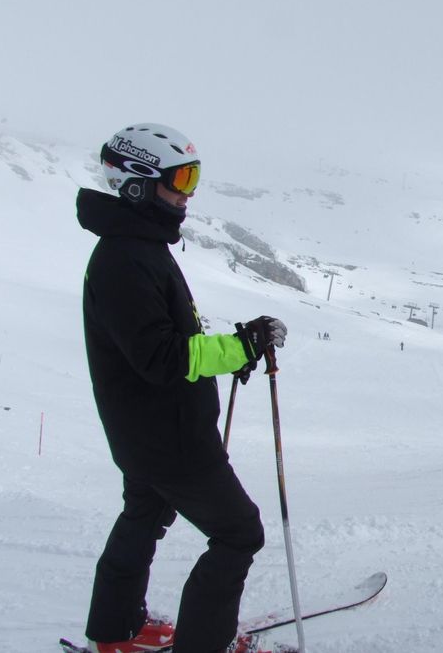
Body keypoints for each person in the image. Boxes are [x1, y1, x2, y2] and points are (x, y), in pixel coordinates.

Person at [77, 123, 288, 653]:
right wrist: (240, 346)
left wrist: (233, 350)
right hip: (169, 438)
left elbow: (167, 341)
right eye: (180, 179)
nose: (188, 193)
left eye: (194, 179)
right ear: (138, 184)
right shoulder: (125, 259)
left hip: (146, 432)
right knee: (240, 533)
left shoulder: (136, 247)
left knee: (143, 515)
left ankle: (117, 631)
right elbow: (162, 356)